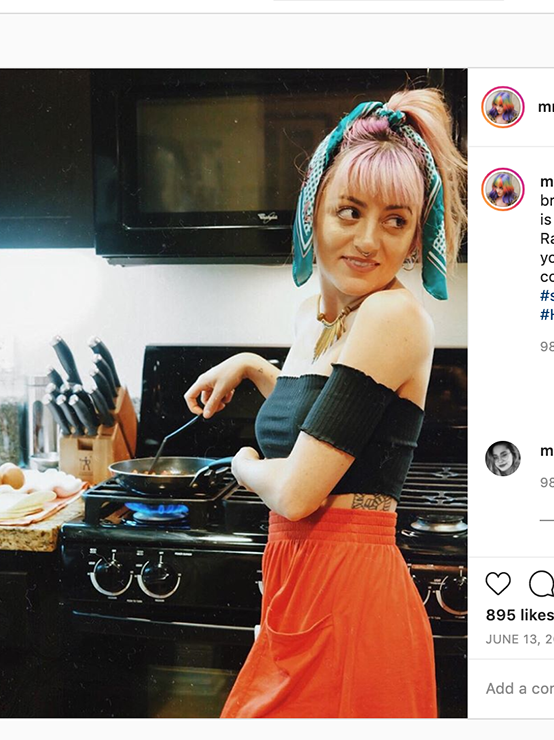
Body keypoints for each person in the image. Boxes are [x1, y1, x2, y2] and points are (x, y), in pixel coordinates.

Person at [184, 88, 466, 718]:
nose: (369, 240)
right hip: (303, 591)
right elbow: (325, 413)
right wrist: (255, 367)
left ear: (417, 232)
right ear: (314, 211)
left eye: (395, 220)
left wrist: (239, 464)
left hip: (349, 598)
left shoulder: (393, 315)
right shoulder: (323, 316)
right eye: (349, 211)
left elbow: (296, 493)